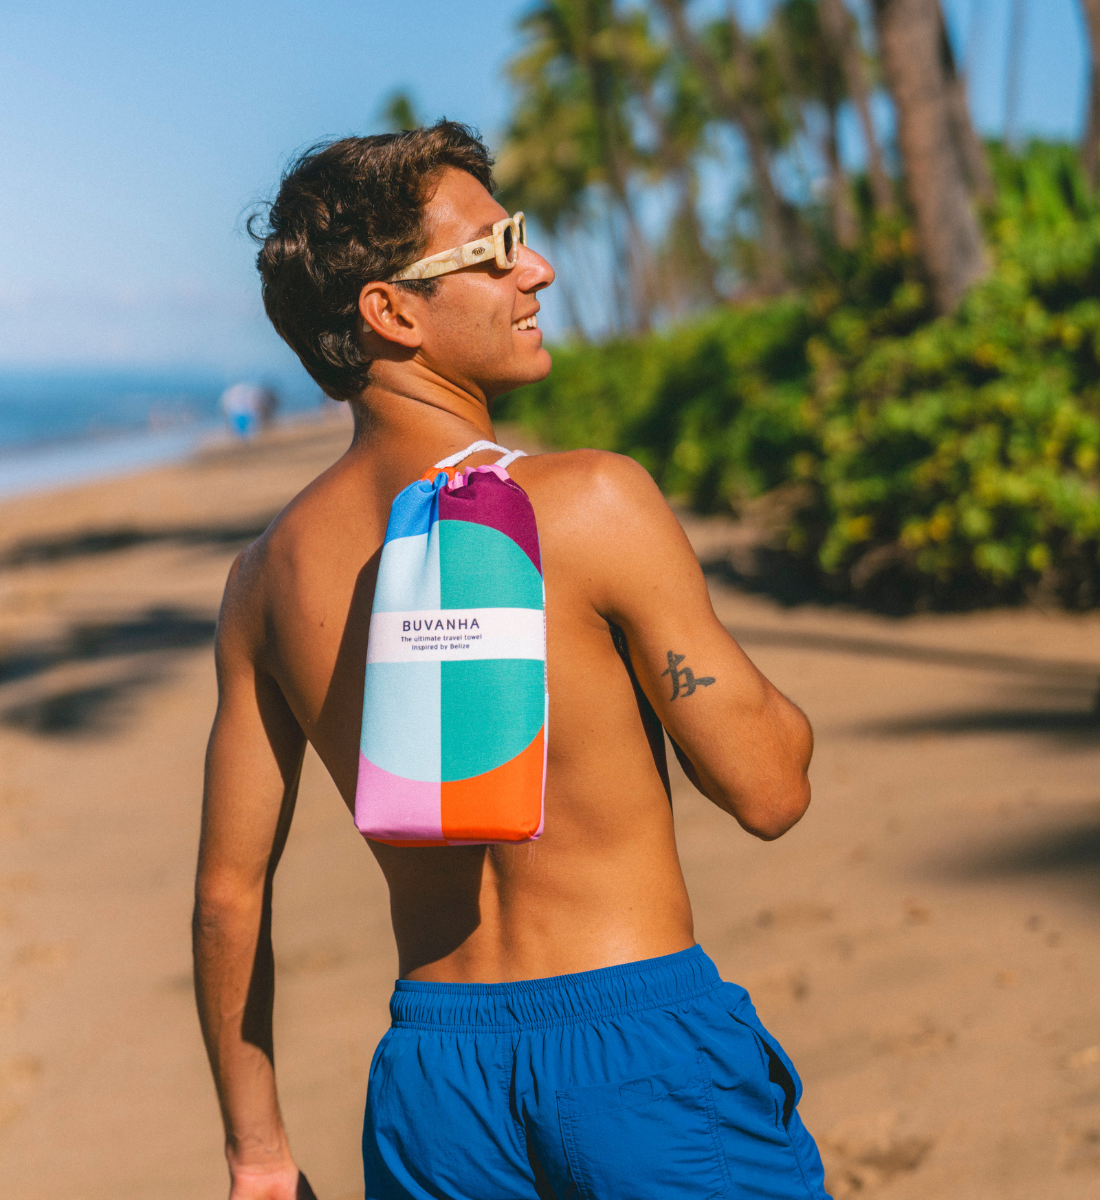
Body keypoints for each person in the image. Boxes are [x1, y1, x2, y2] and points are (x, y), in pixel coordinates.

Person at [193, 122, 826, 1200]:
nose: (537, 270)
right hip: (637, 1053)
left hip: (433, 1091)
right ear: (392, 313)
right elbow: (769, 791)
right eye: (493, 251)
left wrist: (257, 1154)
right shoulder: (589, 501)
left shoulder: (266, 578)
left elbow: (227, 894)